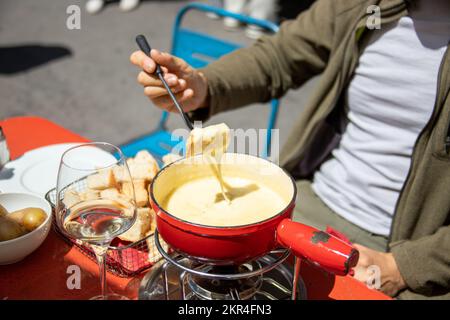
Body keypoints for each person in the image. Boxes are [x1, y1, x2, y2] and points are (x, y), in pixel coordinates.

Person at [130, 0, 450, 299]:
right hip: (309, 201)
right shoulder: (370, 5)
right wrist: (203, 86)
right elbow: (282, 55)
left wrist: (406, 266)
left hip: (417, 247)